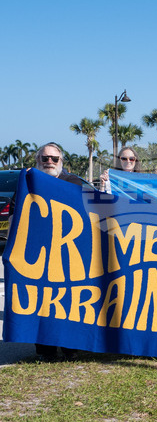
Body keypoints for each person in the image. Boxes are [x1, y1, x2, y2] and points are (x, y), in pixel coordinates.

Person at [31, 143, 92, 360]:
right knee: (42, 303)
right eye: (45, 158)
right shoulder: (28, 183)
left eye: (54, 159)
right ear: (37, 160)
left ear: (62, 162)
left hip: (69, 253)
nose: (49, 162)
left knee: (68, 301)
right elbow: (15, 215)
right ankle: (46, 350)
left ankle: (70, 347)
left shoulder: (73, 182)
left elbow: (92, 211)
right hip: (38, 255)